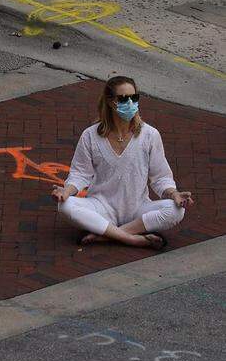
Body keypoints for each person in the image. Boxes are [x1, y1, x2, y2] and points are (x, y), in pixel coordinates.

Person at [51, 76, 193, 250]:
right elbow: (80, 174)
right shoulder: (90, 135)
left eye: (134, 98)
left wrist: (174, 194)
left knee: (177, 210)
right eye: (124, 99)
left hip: (138, 208)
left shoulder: (150, 135)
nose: (130, 103)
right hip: (101, 206)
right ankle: (132, 239)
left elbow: (161, 177)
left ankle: (107, 235)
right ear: (111, 102)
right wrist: (66, 192)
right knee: (65, 206)